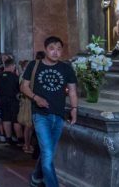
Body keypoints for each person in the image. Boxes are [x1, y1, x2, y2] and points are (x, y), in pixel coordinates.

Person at [20, 37, 78, 187]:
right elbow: (24, 86)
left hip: (58, 115)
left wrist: (74, 109)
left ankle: (36, 178)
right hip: (40, 115)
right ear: (45, 49)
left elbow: (72, 91)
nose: (55, 52)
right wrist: (36, 97)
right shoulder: (34, 65)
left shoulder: (66, 68)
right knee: (47, 154)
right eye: (52, 48)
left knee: (48, 153)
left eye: (59, 49)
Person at [0, 56, 22, 146]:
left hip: (3, 100)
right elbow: (20, 89)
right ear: (12, 66)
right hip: (14, 101)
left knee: (6, 119)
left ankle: (8, 138)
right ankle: (20, 139)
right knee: (16, 120)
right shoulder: (15, 77)